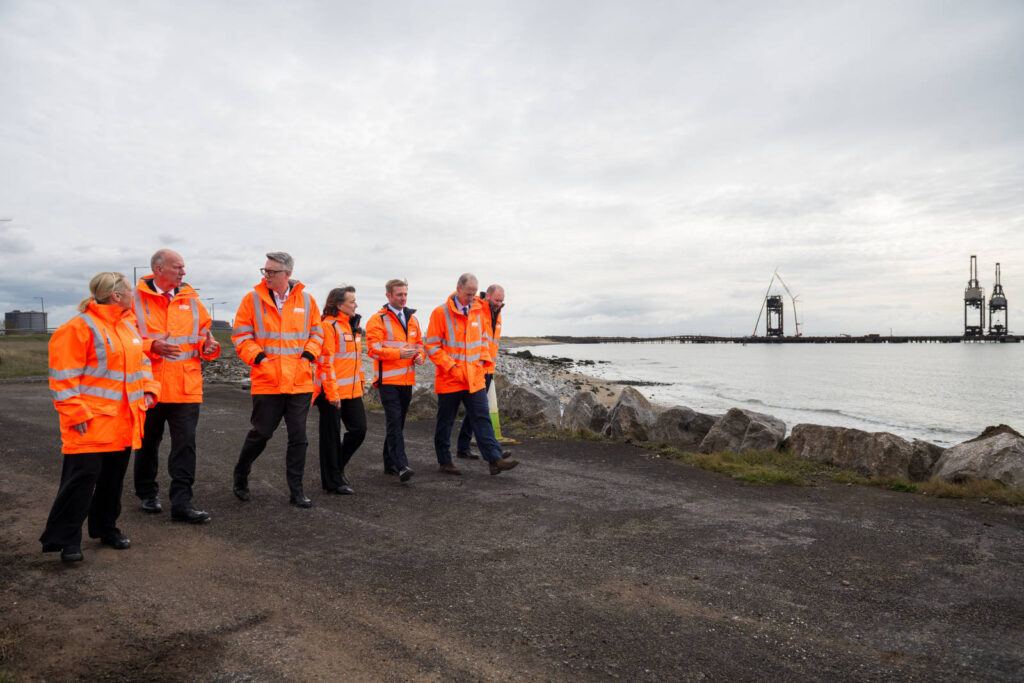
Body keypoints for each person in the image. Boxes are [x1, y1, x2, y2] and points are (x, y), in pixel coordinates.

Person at [41, 272, 160, 562]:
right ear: (116, 296)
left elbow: (143, 362)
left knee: (112, 481)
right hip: (90, 423)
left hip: (124, 421)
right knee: (80, 482)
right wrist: (74, 412)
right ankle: (67, 540)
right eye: (130, 290)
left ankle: (106, 528)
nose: (134, 295)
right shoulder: (78, 328)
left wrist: (149, 390)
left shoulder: (128, 326)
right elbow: (63, 377)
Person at [131, 249, 220, 523]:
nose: (183, 272)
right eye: (178, 267)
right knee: (147, 443)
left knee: (185, 445)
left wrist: (208, 347)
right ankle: (147, 493)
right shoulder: (134, 300)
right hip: (149, 385)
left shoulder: (191, 299)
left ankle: (182, 503)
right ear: (159, 269)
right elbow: (124, 339)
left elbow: (204, 335)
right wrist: (151, 346)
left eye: (183, 267)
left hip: (185, 386)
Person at [231, 252, 323, 508]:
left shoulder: (307, 300)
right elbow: (241, 336)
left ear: (288, 274)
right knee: (261, 433)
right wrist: (261, 359)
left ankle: (297, 491)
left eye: (272, 272)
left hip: (299, 380)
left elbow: (317, 334)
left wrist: (308, 357)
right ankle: (241, 472)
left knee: (299, 437)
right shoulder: (252, 299)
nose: (267, 275)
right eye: (265, 271)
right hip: (267, 379)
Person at [425, 273, 518, 476]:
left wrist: (483, 360)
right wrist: (452, 367)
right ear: (458, 288)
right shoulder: (440, 312)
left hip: (474, 377)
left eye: (474, 293)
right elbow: (431, 346)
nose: (472, 297)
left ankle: (494, 460)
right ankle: (445, 461)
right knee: (445, 422)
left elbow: (483, 339)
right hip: (450, 378)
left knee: (482, 417)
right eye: (468, 293)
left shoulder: (477, 310)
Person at [365, 278, 424, 482]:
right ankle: (401, 465)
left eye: (405, 294)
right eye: (399, 294)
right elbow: (373, 349)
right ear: (388, 296)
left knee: (398, 423)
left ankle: (389, 463)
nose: (403, 298)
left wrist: (420, 356)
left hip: (407, 381)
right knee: (394, 421)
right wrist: (398, 353)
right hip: (388, 381)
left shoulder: (413, 319)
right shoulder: (377, 320)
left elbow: (419, 344)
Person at [314, 286, 366, 495]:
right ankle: (333, 481)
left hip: (352, 391)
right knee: (331, 437)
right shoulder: (328, 326)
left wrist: (360, 384)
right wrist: (332, 393)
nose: (356, 305)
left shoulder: (353, 326)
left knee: (359, 430)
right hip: (330, 391)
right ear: (338, 304)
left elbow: (355, 361)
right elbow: (325, 363)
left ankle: (336, 468)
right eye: (352, 302)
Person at [456, 283, 505, 459]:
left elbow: (492, 342)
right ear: (488, 296)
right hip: (476, 367)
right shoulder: (477, 308)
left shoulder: (497, 313)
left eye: (501, 301)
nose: (499, 303)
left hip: (488, 367)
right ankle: (494, 452)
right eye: (496, 300)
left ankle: (464, 447)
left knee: (474, 412)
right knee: (479, 411)